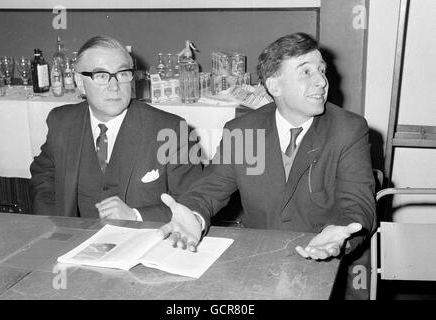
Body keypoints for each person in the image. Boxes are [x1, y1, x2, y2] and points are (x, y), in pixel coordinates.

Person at [159, 33, 376, 298]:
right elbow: (209, 188)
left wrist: (338, 234)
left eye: (321, 70)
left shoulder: (348, 129)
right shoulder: (243, 130)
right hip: (260, 262)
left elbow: (358, 205)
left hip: (329, 263)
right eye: (306, 72)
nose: (321, 81)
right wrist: (193, 215)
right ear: (275, 86)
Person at [30, 35, 202, 222]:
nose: (114, 86)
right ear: (80, 82)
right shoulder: (62, 121)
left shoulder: (171, 130)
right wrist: (55, 223)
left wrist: (136, 216)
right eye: (101, 76)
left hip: (144, 241)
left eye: (122, 74)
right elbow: (43, 176)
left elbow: (194, 201)